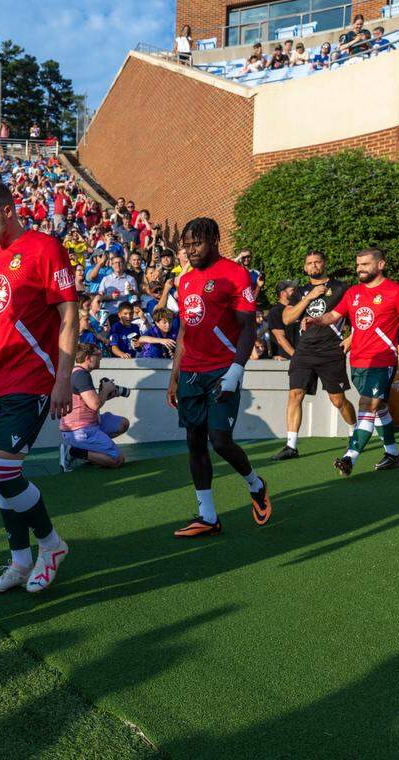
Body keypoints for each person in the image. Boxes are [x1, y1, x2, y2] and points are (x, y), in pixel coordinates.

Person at [0, 180, 77, 595]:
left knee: (1, 469)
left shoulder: (45, 248)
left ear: (8, 211)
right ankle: (19, 560)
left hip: (33, 379)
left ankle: (51, 546)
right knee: (2, 476)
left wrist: (63, 378)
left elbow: (70, 315)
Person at [167, 217, 271, 538]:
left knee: (220, 441)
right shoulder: (185, 281)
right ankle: (208, 516)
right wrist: (174, 377)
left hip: (222, 371)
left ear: (214, 239)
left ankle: (255, 484)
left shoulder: (235, 274)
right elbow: (185, 330)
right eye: (187, 244)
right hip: (191, 374)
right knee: (194, 442)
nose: (191, 249)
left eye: (197, 242)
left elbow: (248, 327)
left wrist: (236, 370)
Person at [303, 249, 399, 476]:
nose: (360, 269)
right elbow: (334, 315)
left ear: (381, 264)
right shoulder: (353, 292)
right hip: (357, 360)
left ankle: (349, 457)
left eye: (365, 264)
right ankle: (393, 454)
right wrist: (316, 319)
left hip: (382, 360)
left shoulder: (396, 291)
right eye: (358, 265)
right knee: (380, 407)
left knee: (368, 406)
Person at [271, 251, 356, 460]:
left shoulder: (341, 288)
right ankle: (291, 446)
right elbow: (287, 318)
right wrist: (309, 297)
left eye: (317, 262)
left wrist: (351, 338)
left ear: (324, 264)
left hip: (330, 351)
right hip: (304, 350)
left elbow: (358, 314)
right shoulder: (300, 291)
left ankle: (356, 432)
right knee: (295, 394)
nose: (314, 266)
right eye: (309, 263)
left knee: (338, 400)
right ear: (305, 268)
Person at [59, 342, 129, 471]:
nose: (101, 358)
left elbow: (88, 402)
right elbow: (95, 404)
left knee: (122, 424)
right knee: (117, 460)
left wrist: (107, 395)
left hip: (89, 424)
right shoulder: (81, 375)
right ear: (88, 358)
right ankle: (74, 452)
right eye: (98, 354)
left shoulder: (78, 372)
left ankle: (92, 451)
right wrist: (106, 389)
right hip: (80, 430)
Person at [266, 279, 298, 361]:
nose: (296, 292)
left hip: (300, 358)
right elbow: (280, 338)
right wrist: (296, 357)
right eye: (292, 290)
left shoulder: (297, 309)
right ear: (283, 293)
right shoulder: (275, 311)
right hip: (285, 360)